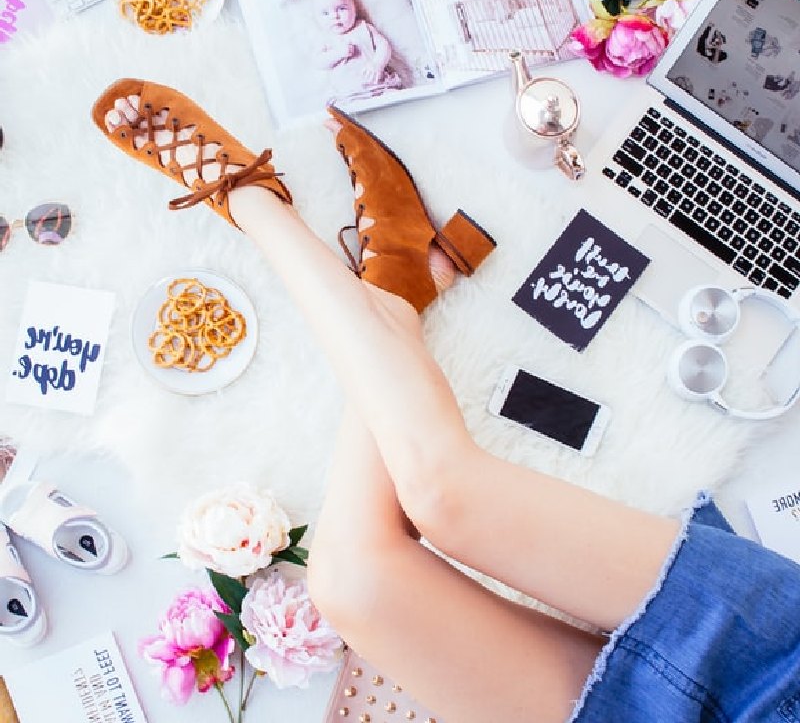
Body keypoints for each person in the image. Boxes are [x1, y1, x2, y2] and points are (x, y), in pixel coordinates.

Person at [92, 79, 800, 722]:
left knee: (350, 584)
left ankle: (398, 295)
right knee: (441, 493)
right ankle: (255, 203)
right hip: (778, 678)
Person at [309, 0, 403, 104]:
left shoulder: (364, 27)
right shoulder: (325, 38)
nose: (335, 16)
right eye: (325, 13)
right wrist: (338, 53)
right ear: (316, 18)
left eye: (341, 9)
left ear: (354, 9)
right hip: (349, 94)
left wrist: (377, 63)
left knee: (397, 98)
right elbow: (318, 62)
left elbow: (383, 45)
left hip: (379, 86)